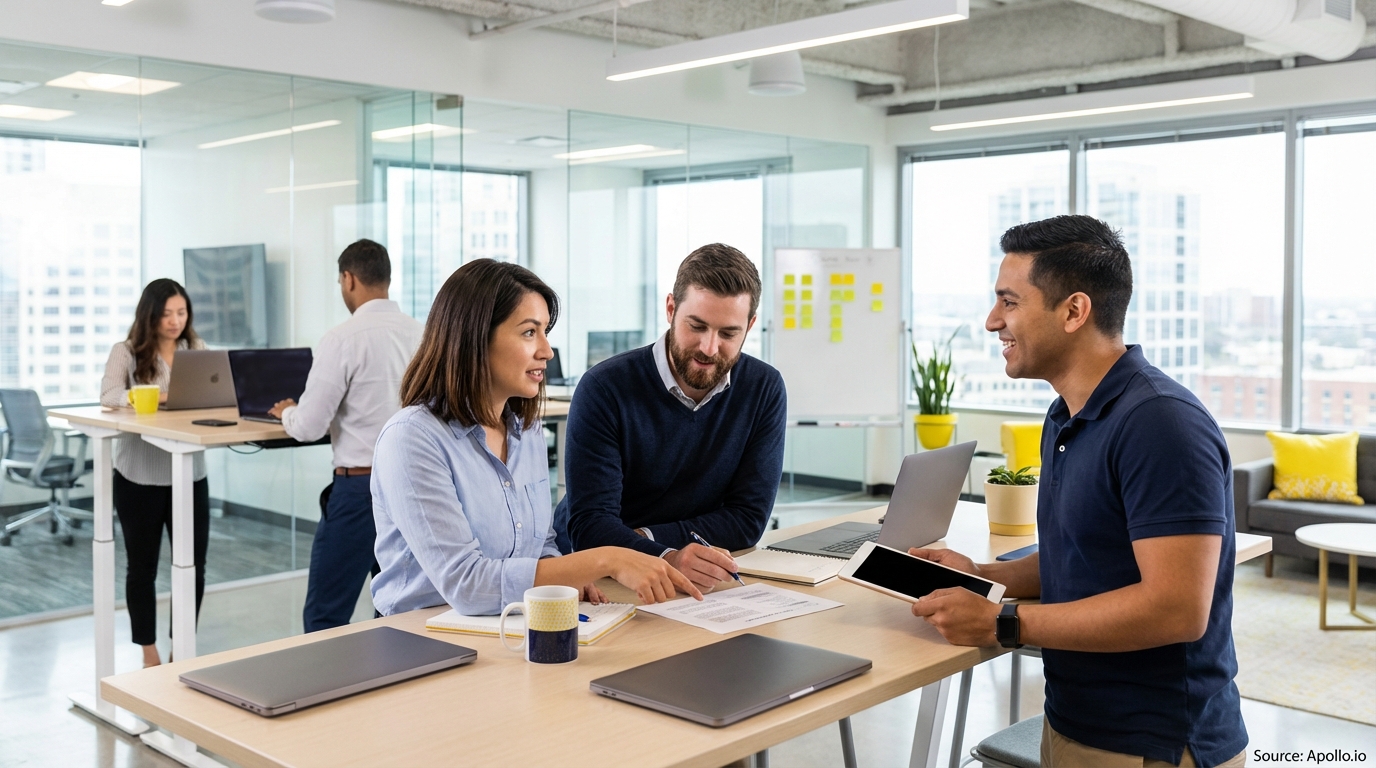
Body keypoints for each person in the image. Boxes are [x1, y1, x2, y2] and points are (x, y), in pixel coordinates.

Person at [907, 215, 1247, 768]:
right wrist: (984, 578)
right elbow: (1089, 553)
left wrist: (1003, 623)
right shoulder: (1067, 415)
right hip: (1073, 721)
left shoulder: (1160, 422)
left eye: (1009, 302)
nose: (993, 321)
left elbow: (1178, 609)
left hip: (1152, 744)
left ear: (1074, 311)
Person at [370, 259, 701, 616]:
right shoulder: (412, 439)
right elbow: (466, 584)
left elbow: (540, 544)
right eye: (530, 332)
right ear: (475, 337)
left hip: (510, 628)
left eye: (545, 332)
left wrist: (565, 575)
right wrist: (605, 560)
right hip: (422, 637)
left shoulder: (525, 431)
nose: (547, 351)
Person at [559, 243, 787, 591]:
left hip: (689, 573)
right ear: (670, 309)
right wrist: (667, 555)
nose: (709, 348)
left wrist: (651, 539)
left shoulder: (763, 388)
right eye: (696, 326)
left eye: (728, 334)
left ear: (750, 325)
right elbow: (591, 526)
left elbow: (747, 520)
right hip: (598, 578)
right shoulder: (605, 387)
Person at [266, 239, 423, 633]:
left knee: (326, 614)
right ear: (387, 278)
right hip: (416, 486)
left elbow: (309, 426)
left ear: (348, 279)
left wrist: (287, 411)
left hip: (361, 491)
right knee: (396, 607)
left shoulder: (343, 338)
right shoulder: (424, 334)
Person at [99, 278, 210, 668]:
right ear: (150, 315)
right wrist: (152, 396)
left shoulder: (196, 350)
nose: (175, 321)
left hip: (189, 474)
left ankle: (182, 647)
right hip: (139, 476)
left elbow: (214, 394)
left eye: (181, 312)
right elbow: (108, 396)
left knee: (192, 565)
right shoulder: (126, 352)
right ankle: (149, 653)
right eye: (166, 314)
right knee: (142, 567)